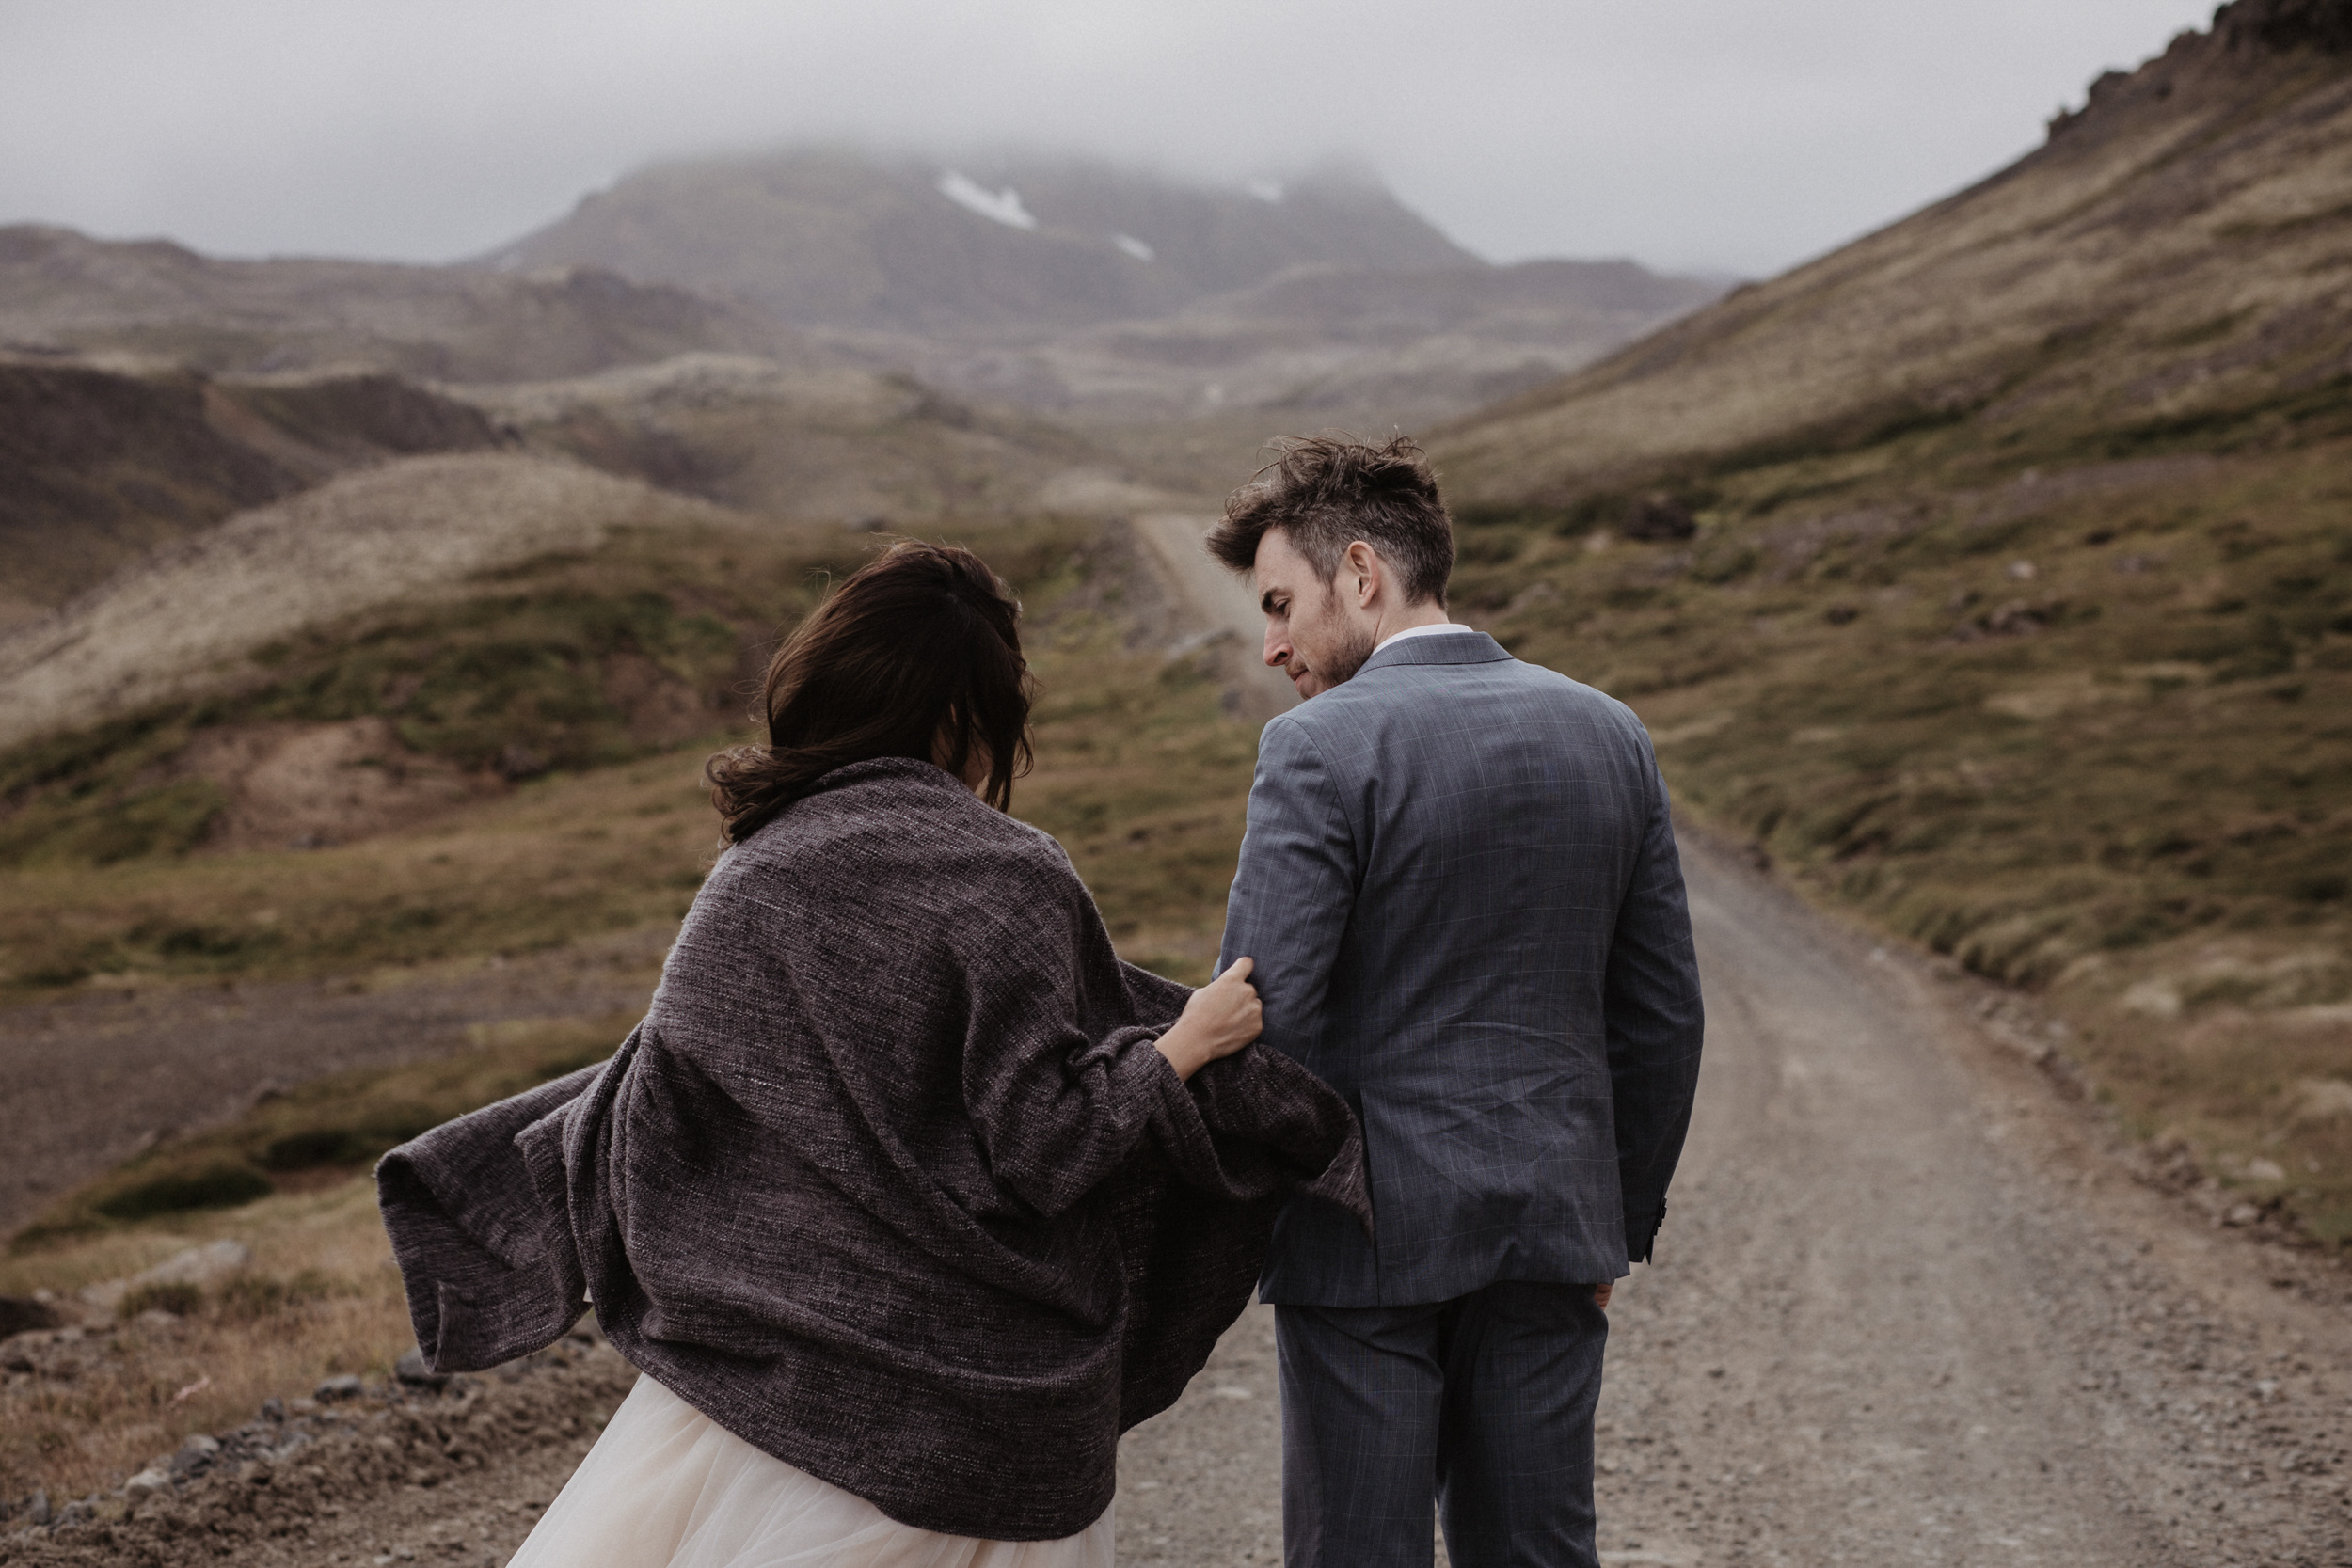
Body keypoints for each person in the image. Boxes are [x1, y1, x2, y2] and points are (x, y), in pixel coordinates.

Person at [376, 541, 1370, 1568]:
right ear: (959, 716)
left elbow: (666, 1103)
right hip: (966, 1417)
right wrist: (1182, 1047)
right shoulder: (1008, 873)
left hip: (773, 1385)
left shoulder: (749, 876)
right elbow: (1047, 1147)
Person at [1206, 436, 1706, 1568]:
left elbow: (1260, 1012)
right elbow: (1663, 1016)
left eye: (1282, 603)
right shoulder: (1610, 732)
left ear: (1364, 572)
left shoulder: (1316, 747)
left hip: (1361, 1241)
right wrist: (1612, 1223)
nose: (1273, 642)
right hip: (1554, 1229)